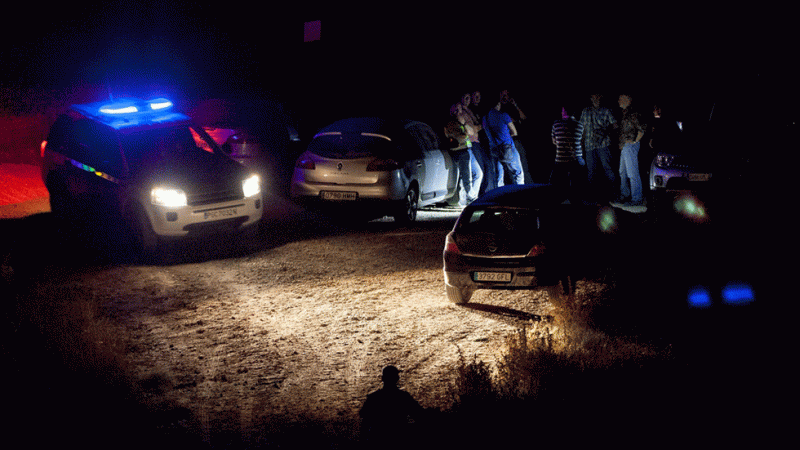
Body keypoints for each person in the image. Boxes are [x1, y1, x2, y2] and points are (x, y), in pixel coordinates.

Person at [359, 365, 425, 447]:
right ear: (397, 379)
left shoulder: (374, 398)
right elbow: (419, 416)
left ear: (382, 378)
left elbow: (365, 423)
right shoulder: (404, 397)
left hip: (378, 440)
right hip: (399, 440)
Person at [579, 94, 618, 204]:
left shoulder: (606, 110)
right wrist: (581, 146)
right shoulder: (585, 111)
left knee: (608, 169)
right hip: (589, 145)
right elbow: (582, 130)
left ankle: (614, 195)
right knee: (591, 172)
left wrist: (605, 131)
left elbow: (615, 125)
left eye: (598, 97)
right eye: (594, 97)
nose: (596, 99)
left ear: (601, 97)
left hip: (603, 144)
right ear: (591, 98)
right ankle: (593, 197)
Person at [482, 93, 525, 187]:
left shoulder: (484, 118)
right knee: (518, 174)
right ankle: (521, 194)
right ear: (498, 104)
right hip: (507, 147)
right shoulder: (504, 115)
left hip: (494, 149)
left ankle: (499, 197)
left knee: (499, 177)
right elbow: (514, 132)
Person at [444, 103, 480, 207]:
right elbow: (459, 137)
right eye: (455, 110)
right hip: (460, 151)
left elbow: (471, 132)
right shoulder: (451, 123)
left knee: (475, 174)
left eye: (459, 109)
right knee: (466, 178)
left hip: (466, 150)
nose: (458, 112)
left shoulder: (461, 120)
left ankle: (467, 200)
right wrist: (463, 127)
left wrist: (464, 124)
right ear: (451, 112)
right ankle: (471, 199)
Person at [550, 106, 586, 204]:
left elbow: (554, 141)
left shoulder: (556, 124)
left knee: (556, 183)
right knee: (577, 183)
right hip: (576, 160)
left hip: (561, 160)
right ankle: (577, 201)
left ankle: (560, 201)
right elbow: (582, 142)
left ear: (564, 111)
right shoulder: (580, 125)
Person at [617, 94, 647, 206]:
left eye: (621, 98)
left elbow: (642, 129)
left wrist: (634, 141)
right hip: (625, 146)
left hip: (629, 146)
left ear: (628, 100)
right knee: (623, 172)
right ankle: (626, 194)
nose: (619, 100)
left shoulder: (632, 113)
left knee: (632, 173)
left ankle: (636, 199)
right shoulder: (625, 113)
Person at [459, 93, 487, 198]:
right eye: (466, 98)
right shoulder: (460, 112)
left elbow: (476, 124)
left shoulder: (467, 111)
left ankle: (473, 197)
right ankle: (471, 197)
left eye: (469, 98)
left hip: (473, 143)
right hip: (469, 144)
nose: (468, 100)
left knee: (478, 173)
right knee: (472, 173)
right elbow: (471, 130)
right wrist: (478, 127)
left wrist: (477, 126)